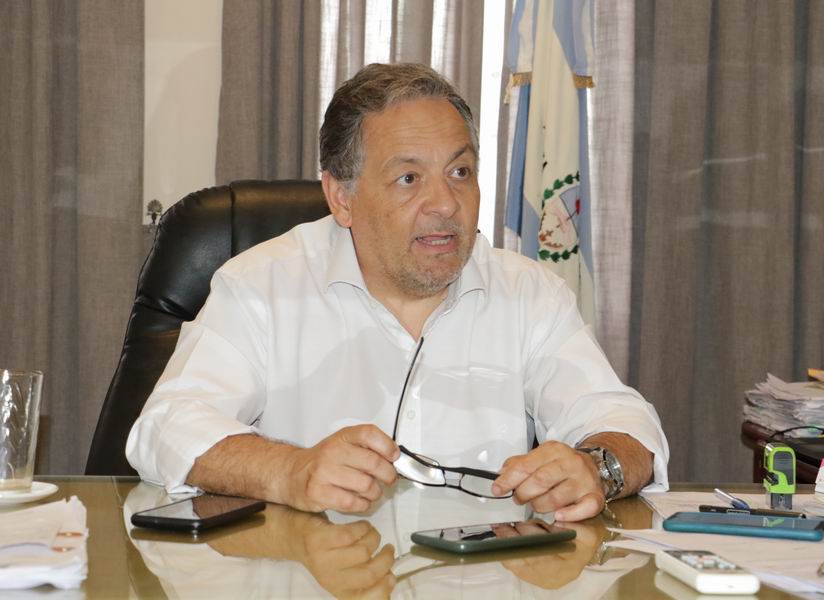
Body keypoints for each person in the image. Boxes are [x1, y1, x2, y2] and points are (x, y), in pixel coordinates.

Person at [126, 63, 669, 521]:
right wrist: (290, 471)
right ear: (341, 198)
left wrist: (597, 467)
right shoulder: (261, 285)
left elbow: (623, 421)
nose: (446, 203)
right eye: (409, 178)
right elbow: (166, 426)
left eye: (460, 171)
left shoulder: (529, 293)